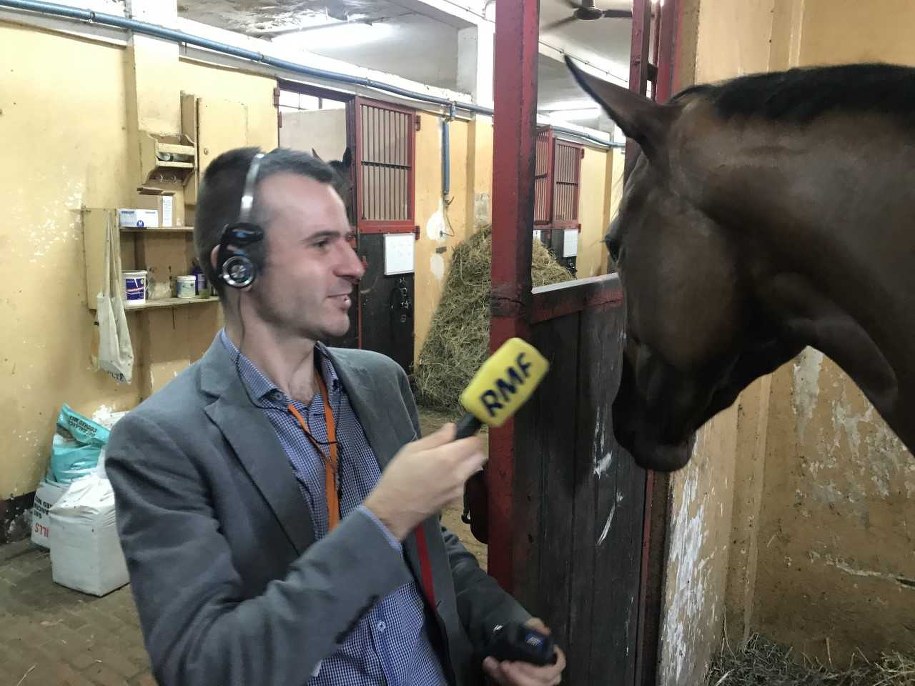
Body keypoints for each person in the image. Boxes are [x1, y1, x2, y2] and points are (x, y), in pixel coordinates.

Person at [105, 146, 566, 686]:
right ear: (237, 264)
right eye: (322, 243)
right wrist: (383, 519)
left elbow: (428, 547)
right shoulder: (161, 442)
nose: (353, 265)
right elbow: (203, 667)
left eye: (347, 240)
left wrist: (500, 622)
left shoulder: (379, 379)